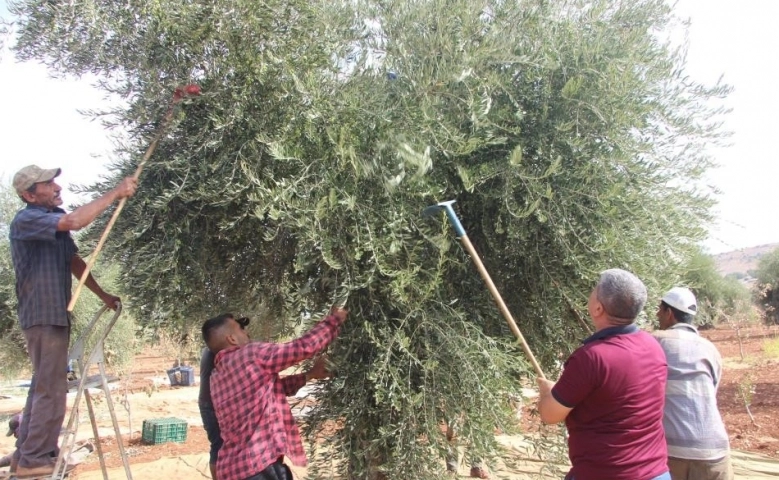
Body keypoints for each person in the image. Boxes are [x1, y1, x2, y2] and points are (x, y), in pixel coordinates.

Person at [9, 165, 137, 479]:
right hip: (43, 315)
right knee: (51, 389)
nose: (56, 187)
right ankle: (35, 458)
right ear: (29, 194)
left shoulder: (53, 222)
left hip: (53, 315)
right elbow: (76, 221)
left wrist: (102, 294)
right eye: (47, 184)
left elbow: (73, 262)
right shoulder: (29, 219)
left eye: (54, 181)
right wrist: (116, 193)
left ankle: (26, 456)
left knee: (43, 385)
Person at [536, 268, 670, 480]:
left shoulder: (592, 358)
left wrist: (547, 394)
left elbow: (550, 415)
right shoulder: (652, 347)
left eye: (594, 289)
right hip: (656, 473)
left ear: (598, 308)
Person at [202, 307, 348, 480]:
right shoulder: (251, 354)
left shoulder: (216, 376)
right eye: (241, 329)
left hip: (234, 470)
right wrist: (335, 320)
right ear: (232, 339)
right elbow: (301, 348)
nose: (247, 333)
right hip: (259, 467)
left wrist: (310, 375)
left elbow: (268, 389)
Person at [654, 287, 733, 480]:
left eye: (660, 310)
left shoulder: (656, 342)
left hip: (673, 452)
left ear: (669, 313)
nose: (657, 314)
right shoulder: (710, 349)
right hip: (716, 451)